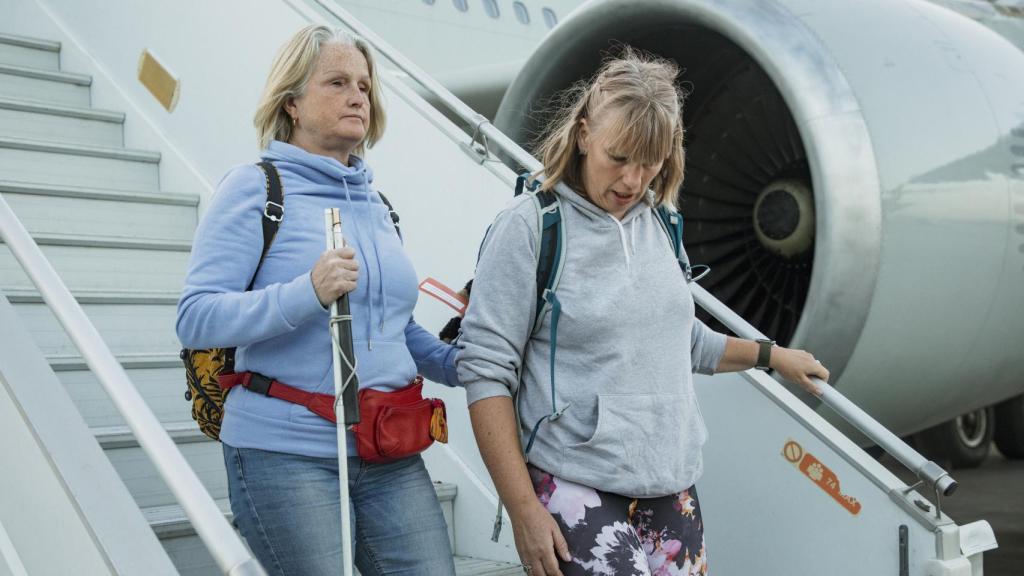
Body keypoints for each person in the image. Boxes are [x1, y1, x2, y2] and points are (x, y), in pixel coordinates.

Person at [456, 49, 830, 576]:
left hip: (670, 483)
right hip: (575, 481)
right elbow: (486, 371)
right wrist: (521, 510)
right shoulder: (529, 227)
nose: (633, 180)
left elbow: (683, 340)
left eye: (650, 162)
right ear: (584, 134)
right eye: (620, 156)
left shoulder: (659, 221)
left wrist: (773, 356)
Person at [176, 25, 459, 575]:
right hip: (283, 453)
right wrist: (306, 292)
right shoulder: (256, 188)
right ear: (293, 105)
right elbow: (195, 318)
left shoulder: (379, 205)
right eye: (337, 82)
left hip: (387, 449)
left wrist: (460, 363)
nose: (359, 95)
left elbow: (392, 328)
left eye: (364, 84)